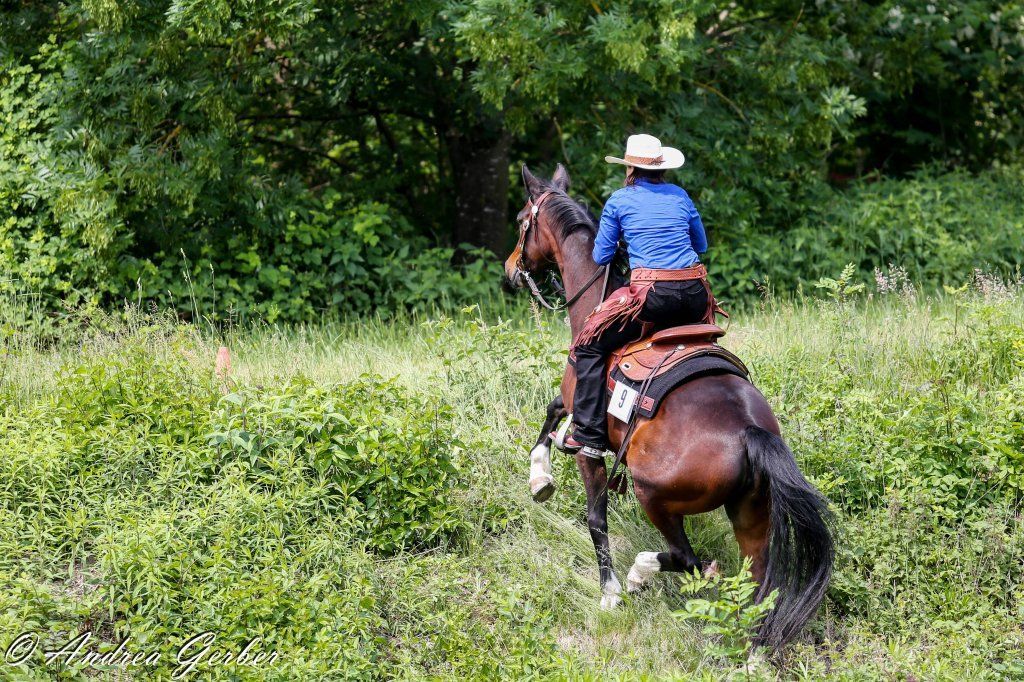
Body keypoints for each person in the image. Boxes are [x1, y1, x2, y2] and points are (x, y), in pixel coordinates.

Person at [561, 134, 715, 458]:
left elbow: (601, 255)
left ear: (630, 168)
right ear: (661, 167)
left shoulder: (619, 200)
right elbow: (700, 246)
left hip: (653, 299)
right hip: (696, 297)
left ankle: (588, 435)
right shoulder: (681, 195)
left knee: (589, 343)